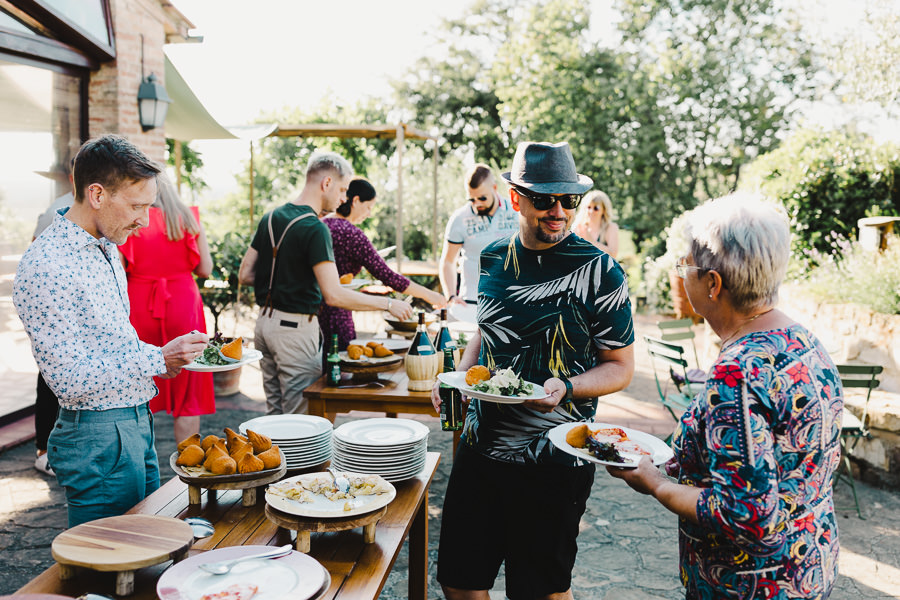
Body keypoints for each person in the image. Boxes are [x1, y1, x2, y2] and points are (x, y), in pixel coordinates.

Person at [607, 194, 842, 599]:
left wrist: (655, 483)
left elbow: (746, 515)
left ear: (713, 284)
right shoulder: (805, 342)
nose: (683, 276)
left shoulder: (736, 374)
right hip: (810, 567)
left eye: (686, 267)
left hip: (750, 586)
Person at [432, 142, 635, 600]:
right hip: (481, 445)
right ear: (517, 198)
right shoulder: (492, 259)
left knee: (538, 592)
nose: (558, 211)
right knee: (459, 583)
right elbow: (485, 334)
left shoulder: (601, 271)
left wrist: (568, 387)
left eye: (569, 200)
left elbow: (620, 367)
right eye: (545, 199)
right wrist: (461, 379)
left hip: (556, 457)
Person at [13, 134, 208, 527]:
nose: (145, 219)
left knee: (146, 554)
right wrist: (156, 357)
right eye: (137, 206)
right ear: (97, 194)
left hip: (135, 422)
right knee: (109, 573)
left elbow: (112, 340)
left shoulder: (106, 245)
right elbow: (68, 381)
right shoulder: (47, 265)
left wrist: (159, 363)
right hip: (98, 439)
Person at [238, 151, 413, 415]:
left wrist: (290, 279)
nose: (344, 198)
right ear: (327, 183)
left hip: (263, 325)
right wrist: (387, 304)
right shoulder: (315, 228)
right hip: (294, 331)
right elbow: (334, 296)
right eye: (342, 189)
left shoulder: (271, 217)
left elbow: (245, 274)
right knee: (303, 418)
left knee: (275, 414)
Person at [119, 173, 214, 443]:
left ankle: (140, 460)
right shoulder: (189, 218)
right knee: (188, 390)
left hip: (140, 304)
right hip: (183, 304)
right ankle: (188, 467)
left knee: (139, 379)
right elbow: (205, 269)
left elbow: (121, 269)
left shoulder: (133, 222)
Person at [320, 177, 447, 350]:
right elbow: (388, 276)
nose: (369, 214)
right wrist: (431, 295)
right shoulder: (350, 233)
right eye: (368, 207)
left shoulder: (322, 224)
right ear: (356, 201)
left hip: (314, 312)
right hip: (337, 315)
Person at [31, 160, 75, 477]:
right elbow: (35, 255)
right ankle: (44, 450)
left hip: (78, 306)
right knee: (49, 378)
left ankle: (63, 447)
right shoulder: (56, 210)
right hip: (56, 306)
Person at [438, 163, 519, 305]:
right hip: (471, 301)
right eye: (472, 199)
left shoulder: (516, 213)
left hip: (509, 301)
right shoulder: (459, 218)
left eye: (482, 198)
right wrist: (450, 296)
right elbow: (448, 261)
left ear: (494, 188)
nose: (477, 204)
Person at [572, 189, 619, 258]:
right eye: (589, 207)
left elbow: (613, 255)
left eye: (596, 208)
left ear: (604, 210)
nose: (591, 211)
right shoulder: (578, 227)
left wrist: (591, 241)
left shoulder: (611, 227)